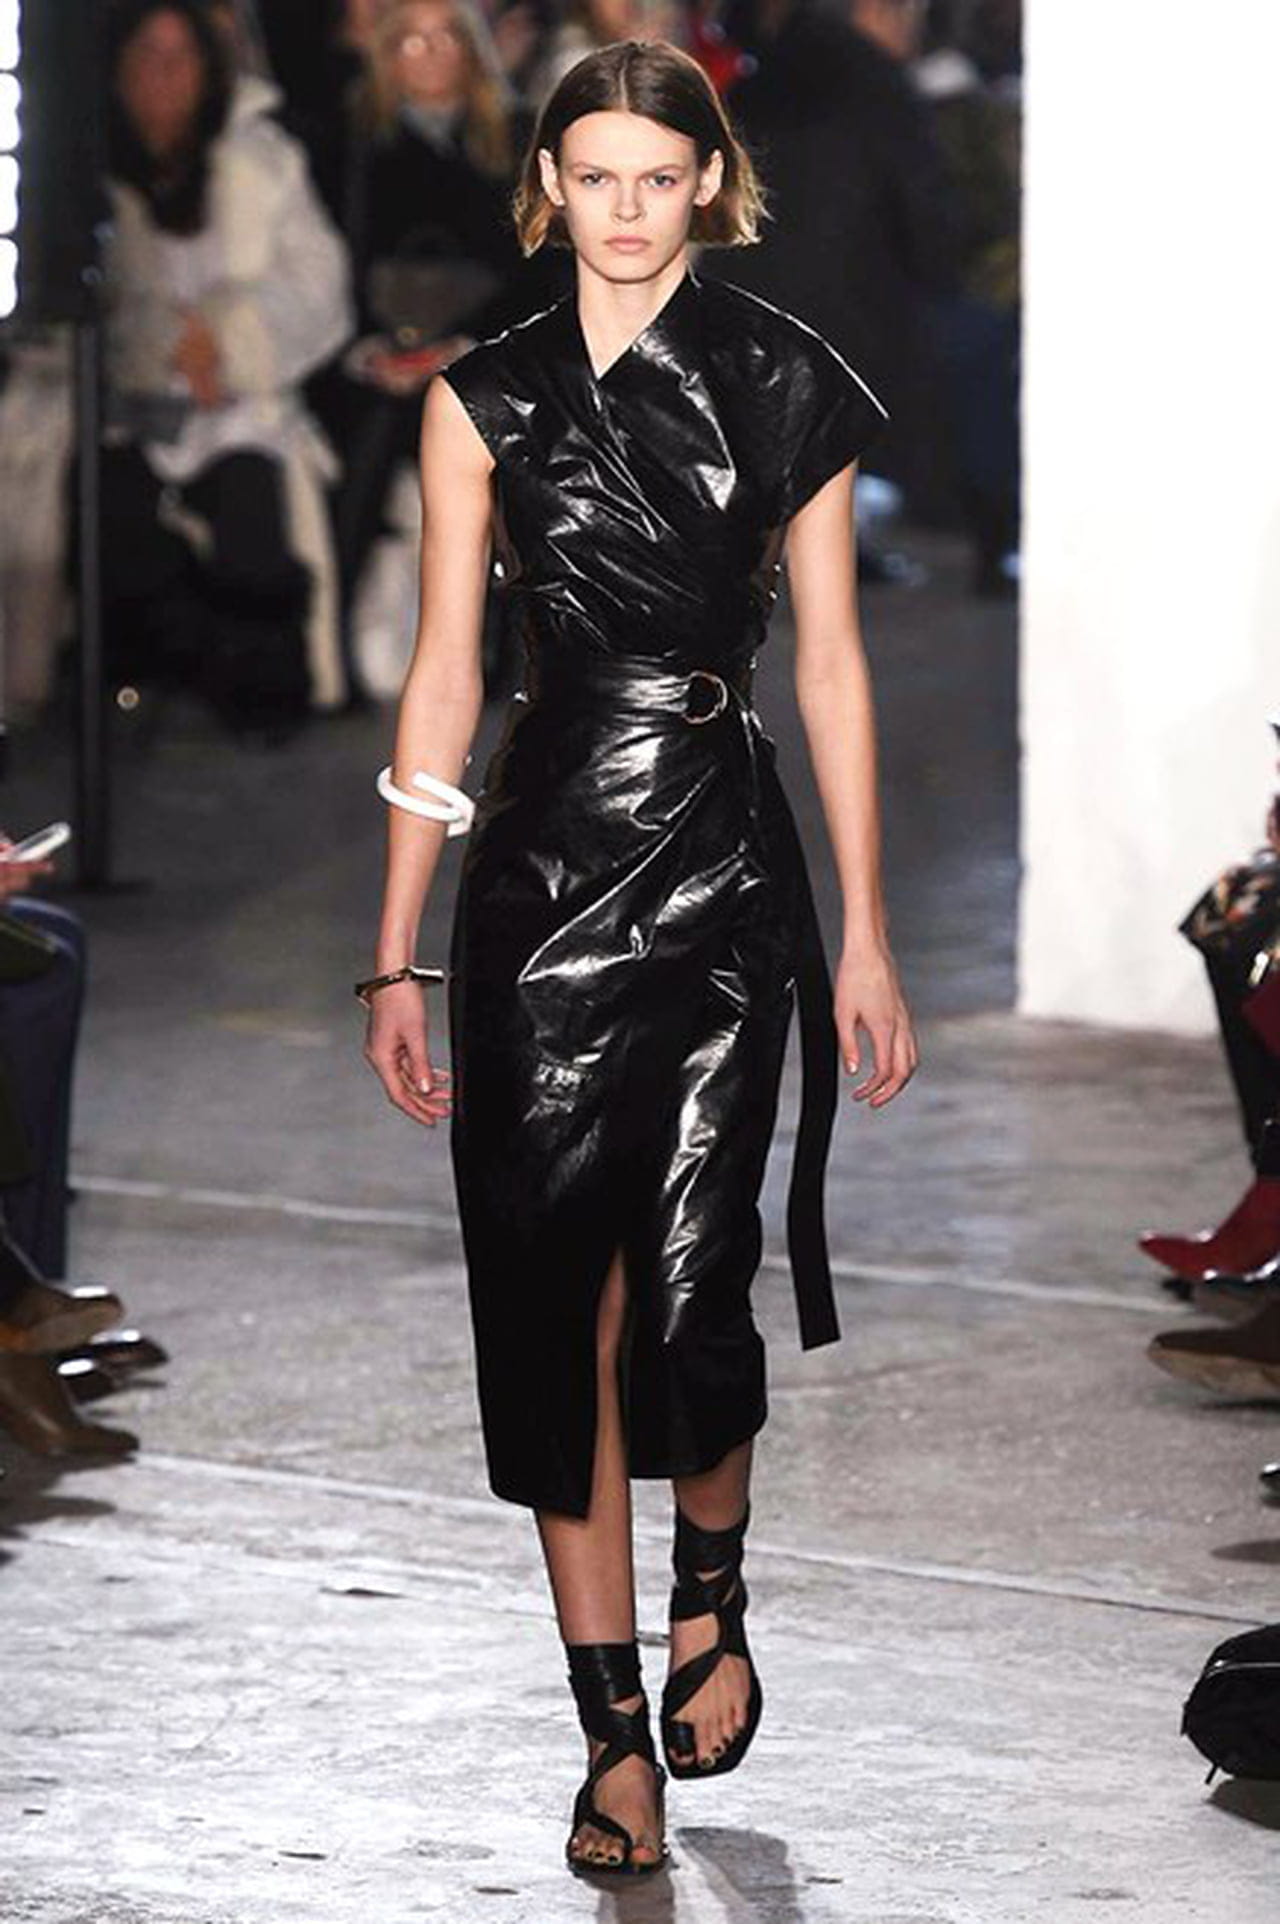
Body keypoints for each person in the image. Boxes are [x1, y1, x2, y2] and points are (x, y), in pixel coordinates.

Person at [361, 39, 917, 1877]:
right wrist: (395, 949)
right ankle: (611, 1734)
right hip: (538, 880)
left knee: (693, 1274)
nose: (623, 207)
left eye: (655, 176)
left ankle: (714, 1593)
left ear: (707, 185)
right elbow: (445, 673)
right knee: (558, 1301)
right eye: (591, 174)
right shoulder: (484, 400)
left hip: (725, 870)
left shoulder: (787, 380)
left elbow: (830, 665)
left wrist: (868, 934)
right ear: (547, 184)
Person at [99, 0, 353, 732]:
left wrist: (229, 340)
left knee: (250, 505)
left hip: (246, 403)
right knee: (112, 505)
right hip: (127, 406)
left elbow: (318, 284)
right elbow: (81, 307)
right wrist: (163, 344)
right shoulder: (91, 177)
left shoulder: (262, 161)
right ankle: (134, 676)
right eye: (148, 55)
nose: (164, 74)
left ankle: (258, 692)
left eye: (180, 57)